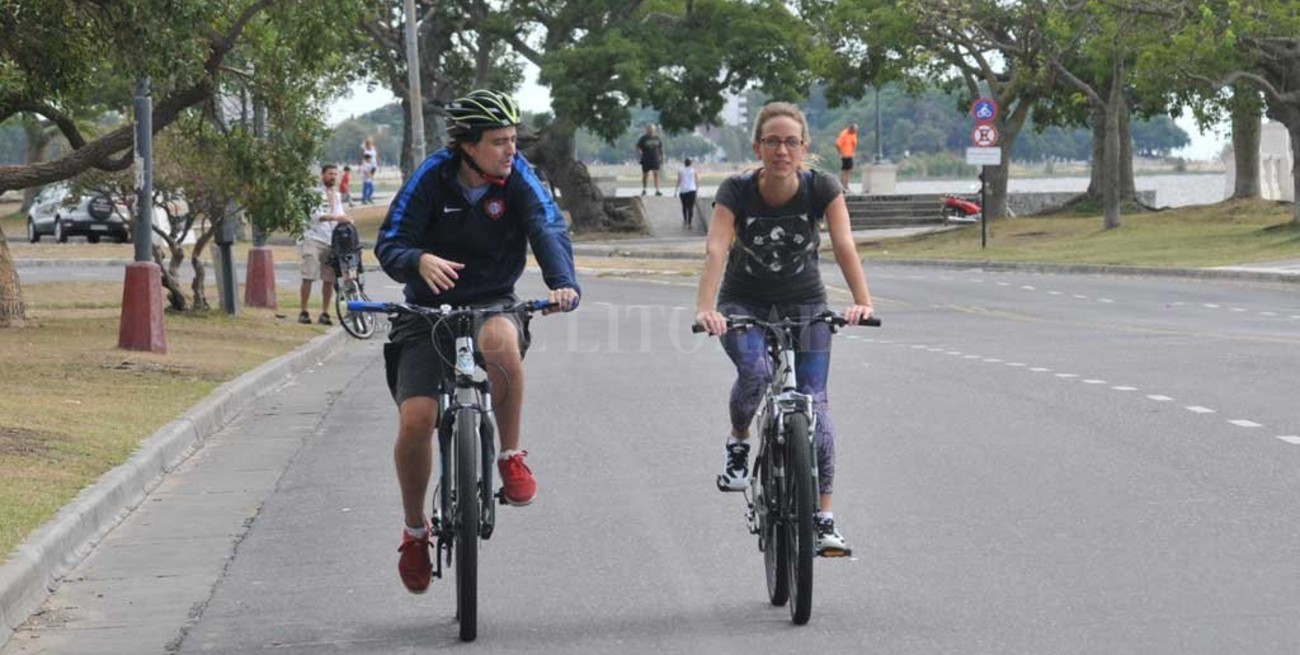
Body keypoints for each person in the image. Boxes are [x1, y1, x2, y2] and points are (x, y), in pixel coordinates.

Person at [374, 89, 581, 594]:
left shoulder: (518, 178)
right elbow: (390, 241)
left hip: (493, 299)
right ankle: (415, 531)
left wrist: (562, 281)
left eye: (513, 140)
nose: (510, 150)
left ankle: (509, 456)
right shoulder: (433, 174)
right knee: (417, 418)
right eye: (498, 142)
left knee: (499, 343)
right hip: (427, 311)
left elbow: (547, 226)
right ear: (467, 145)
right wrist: (417, 260)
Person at [694, 102, 874, 556]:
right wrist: (706, 308)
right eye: (772, 141)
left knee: (815, 403)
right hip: (743, 302)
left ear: (804, 148)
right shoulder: (736, 190)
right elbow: (717, 249)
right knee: (754, 373)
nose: (781, 150)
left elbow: (844, 243)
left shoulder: (823, 187)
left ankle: (824, 519)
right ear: (757, 147)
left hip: (806, 302)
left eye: (791, 142)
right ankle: (739, 443)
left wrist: (861, 302)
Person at [299, 164, 353, 325]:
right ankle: (304, 311)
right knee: (308, 274)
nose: (333, 177)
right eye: (330, 174)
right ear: (322, 175)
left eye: (335, 174)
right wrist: (337, 218)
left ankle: (325, 313)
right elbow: (316, 216)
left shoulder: (336, 195)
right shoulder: (313, 194)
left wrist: (347, 220)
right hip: (313, 238)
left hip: (330, 240)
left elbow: (340, 213)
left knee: (329, 278)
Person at [635, 124, 663, 196]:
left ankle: (657, 190)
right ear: (647, 130)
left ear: (654, 130)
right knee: (645, 175)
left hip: (655, 159)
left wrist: (661, 157)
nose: (651, 132)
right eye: (650, 130)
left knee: (656, 174)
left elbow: (660, 148)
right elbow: (638, 147)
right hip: (646, 159)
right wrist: (640, 153)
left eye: (653, 130)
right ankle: (644, 189)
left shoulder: (657, 138)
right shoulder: (643, 138)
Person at [675, 157, 698, 229]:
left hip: (683, 191)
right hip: (692, 190)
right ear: (691, 163)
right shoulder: (694, 170)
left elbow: (679, 181)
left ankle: (685, 220)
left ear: (684, 163)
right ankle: (690, 223)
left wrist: (675, 191)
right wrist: (697, 190)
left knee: (684, 206)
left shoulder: (680, 170)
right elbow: (696, 181)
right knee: (690, 207)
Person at [836, 123, 858, 190]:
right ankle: (842, 185)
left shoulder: (853, 134)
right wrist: (840, 153)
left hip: (850, 155)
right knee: (845, 170)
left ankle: (846, 185)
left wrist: (853, 152)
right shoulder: (844, 134)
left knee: (849, 170)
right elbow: (837, 144)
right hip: (845, 155)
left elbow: (854, 144)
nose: (854, 132)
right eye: (854, 130)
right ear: (850, 129)